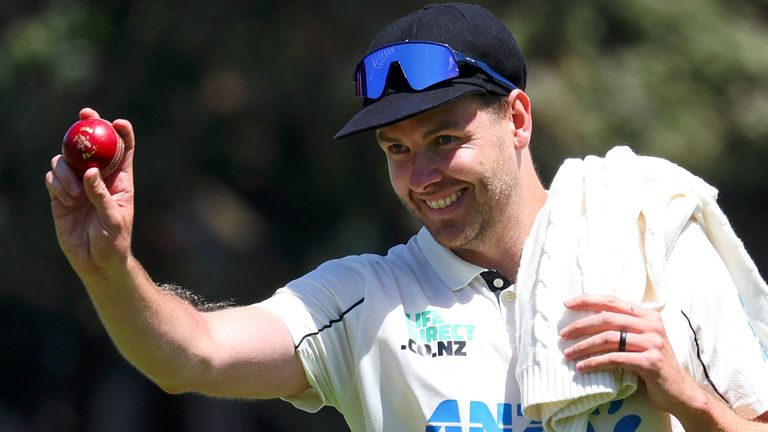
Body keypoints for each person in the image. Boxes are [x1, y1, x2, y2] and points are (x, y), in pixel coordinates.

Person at [45, 3, 768, 431]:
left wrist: (690, 400)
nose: (422, 177)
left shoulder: (648, 242)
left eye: (445, 140)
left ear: (517, 119)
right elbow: (192, 354)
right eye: (397, 150)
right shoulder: (365, 301)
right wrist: (109, 269)